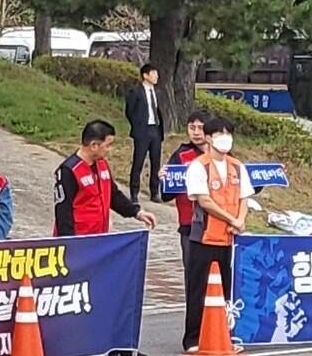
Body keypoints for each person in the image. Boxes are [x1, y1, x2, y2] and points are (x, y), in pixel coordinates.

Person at [182, 117, 255, 353]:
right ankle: (193, 338)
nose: (225, 138)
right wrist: (231, 218)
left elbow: (244, 197)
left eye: (228, 133)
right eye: (219, 134)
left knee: (228, 289)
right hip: (205, 235)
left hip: (230, 237)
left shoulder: (237, 166)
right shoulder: (198, 166)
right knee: (199, 288)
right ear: (209, 138)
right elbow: (204, 200)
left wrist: (240, 219)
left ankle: (226, 334)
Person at [53, 120, 157, 236]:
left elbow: (113, 195)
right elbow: (63, 213)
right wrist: (68, 243)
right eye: (107, 145)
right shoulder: (69, 171)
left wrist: (137, 212)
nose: (109, 150)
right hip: (79, 241)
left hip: (99, 238)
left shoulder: (102, 165)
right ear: (94, 145)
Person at [164, 111, 210, 283]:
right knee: (193, 275)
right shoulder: (181, 155)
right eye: (192, 128)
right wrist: (165, 179)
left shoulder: (222, 155)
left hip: (218, 225)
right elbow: (166, 194)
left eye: (200, 128)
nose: (196, 132)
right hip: (189, 226)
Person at [124, 64, 165, 203]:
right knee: (138, 162)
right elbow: (129, 111)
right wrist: (137, 125)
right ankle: (134, 193)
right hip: (142, 130)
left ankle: (154, 192)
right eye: (153, 73)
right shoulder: (135, 91)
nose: (156, 76)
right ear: (145, 75)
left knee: (156, 162)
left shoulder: (157, 92)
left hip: (155, 130)